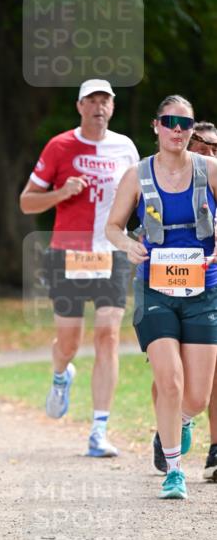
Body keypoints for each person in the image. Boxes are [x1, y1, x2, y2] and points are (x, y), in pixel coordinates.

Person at [20, 79, 139, 457]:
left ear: (113, 108)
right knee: (69, 343)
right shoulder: (60, 146)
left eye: (105, 100)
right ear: (79, 106)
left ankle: (99, 429)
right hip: (67, 254)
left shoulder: (126, 149)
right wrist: (61, 193)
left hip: (112, 253)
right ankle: (60, 375)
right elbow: (26, 203)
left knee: (107, 335)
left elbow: (140, 197)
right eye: (92, 100)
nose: (98, 107)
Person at [106, 95, 217, 499]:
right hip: (154, 287)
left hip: (204, 288)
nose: (177, 130)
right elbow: (114, 227)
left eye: (185, 124)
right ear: (156, 126)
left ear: (192, 130)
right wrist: (127, 245)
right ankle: (174, 471)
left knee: (198, 396)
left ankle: (181, 422)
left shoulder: (210, 169)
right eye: (169, 122)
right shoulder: (137, 176)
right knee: (168, 379)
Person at [150, 120, 217, 481]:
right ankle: (168, 434)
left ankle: (197, 432)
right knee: (168, 374)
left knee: (204, 384)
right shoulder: (168, 177)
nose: (207, 153)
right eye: (201, 145)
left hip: (210, 285)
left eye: (214, 148)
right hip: (165, 286)